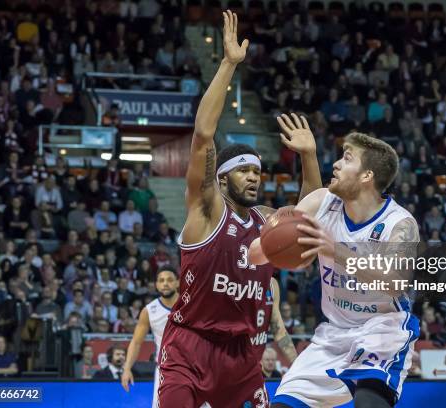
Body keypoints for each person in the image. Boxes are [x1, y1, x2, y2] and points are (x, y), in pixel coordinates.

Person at [157, 11, 320, 408]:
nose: (254, 177)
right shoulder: (207, 210)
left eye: (258, 171)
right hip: (191, 346)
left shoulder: (266, 221)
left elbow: (310, 213)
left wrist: (309, 157)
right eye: (244, 171)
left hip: (243, 356)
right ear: (224, 178)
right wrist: (229, 63)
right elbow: (202, 136)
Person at [251, 133, 420, 407]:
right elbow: (255, 254)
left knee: (369, 402)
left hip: (382, 329)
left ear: (367, 176)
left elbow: (396, 283)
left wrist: (336, 251)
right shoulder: (322, 200)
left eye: (347, 158)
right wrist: (275, 239)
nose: (337, 164)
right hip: (333, 334)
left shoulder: (399, 223)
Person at [121, 267, 179, 408]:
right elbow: (136, 342)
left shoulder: (192, 304)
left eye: (170, 280)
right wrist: (127, 368)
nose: (165, 283)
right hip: (166, 369)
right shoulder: (149, 311)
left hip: (194, 367)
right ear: (156, 285)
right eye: (161, 280)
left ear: (178, 283)